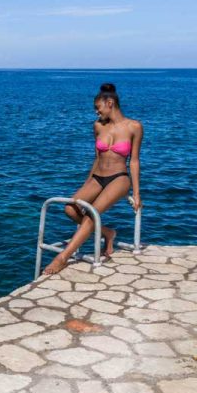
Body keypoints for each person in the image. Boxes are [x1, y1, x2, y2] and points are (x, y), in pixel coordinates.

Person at [44, 83, 143, 274]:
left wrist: (137, 193)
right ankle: (108, 233)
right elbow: (97, 158)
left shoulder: (134, 127)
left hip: (119, 178)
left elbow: (134, 161)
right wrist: (87, 183)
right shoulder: (98, 126)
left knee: (92, 213)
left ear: (110, 103)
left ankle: (62, 258)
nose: (96, 112)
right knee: (70, 209)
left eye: (98, 108)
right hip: (97, 177)